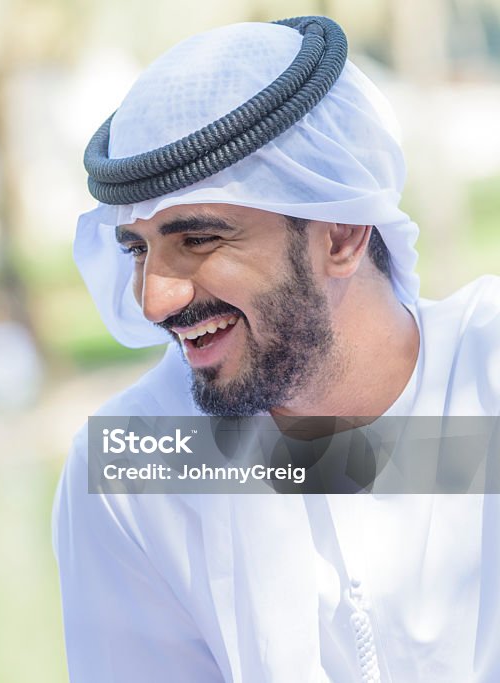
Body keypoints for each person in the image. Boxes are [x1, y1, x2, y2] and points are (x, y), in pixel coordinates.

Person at [53, 15, 500, 683]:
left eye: (199, 239)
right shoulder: (134, 463)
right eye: (138, 250)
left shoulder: (488, 368)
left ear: (343, 233)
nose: (155, 300)